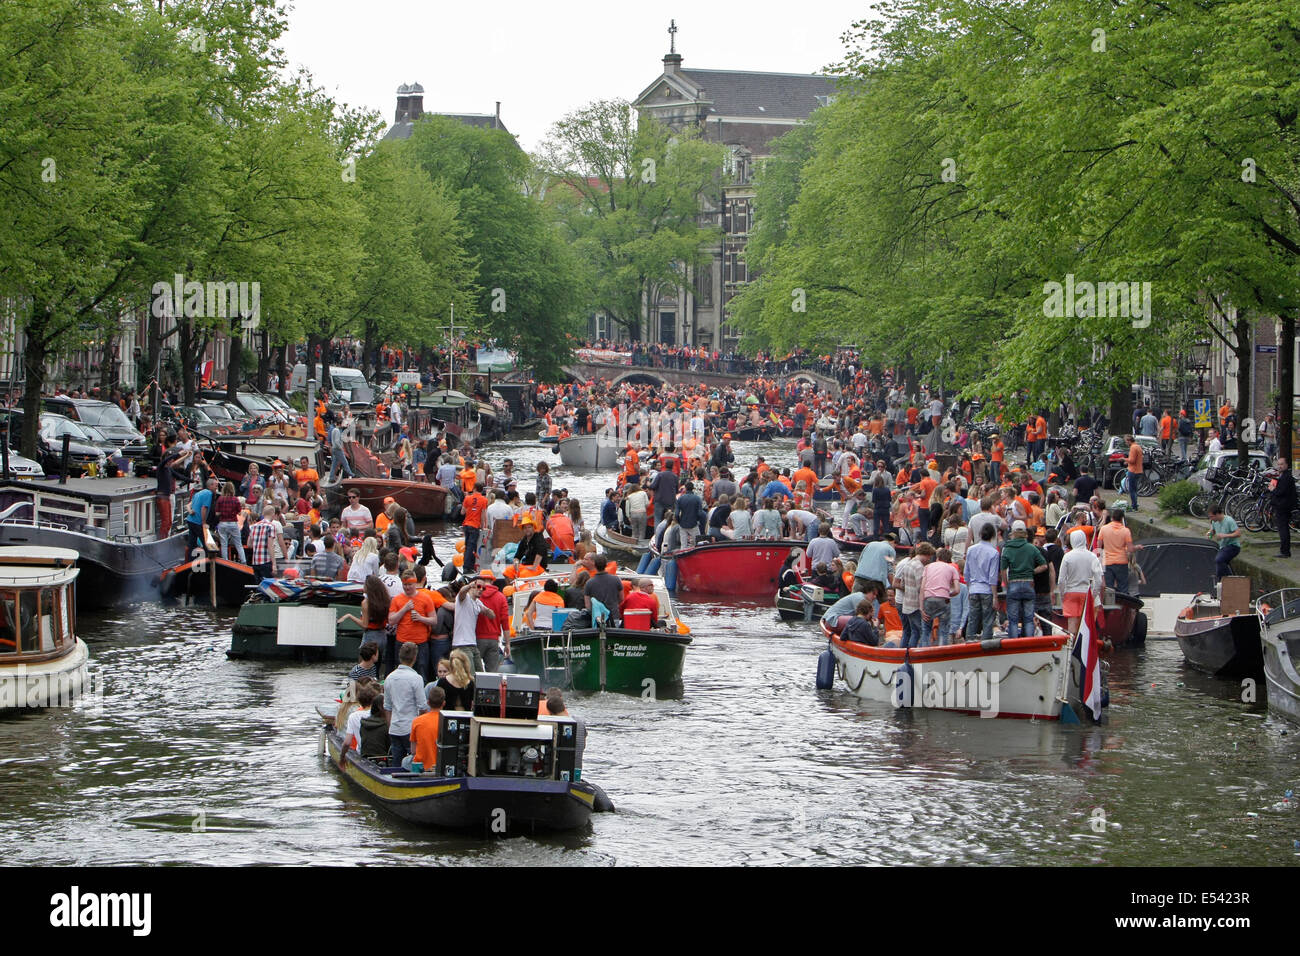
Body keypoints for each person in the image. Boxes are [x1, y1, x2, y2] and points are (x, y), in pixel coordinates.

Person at [1000, 520, 1047, 638]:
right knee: (1029, 618)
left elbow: (1003, 570)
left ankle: (1014, 646)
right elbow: (1044, 565)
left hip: (1013, 584)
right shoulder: (1031, 548)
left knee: (1013, 620)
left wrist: (1007, 584)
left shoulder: (1007, 548)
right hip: (1028, 584)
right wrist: (1032, 571)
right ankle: (1029, 644)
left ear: (1013, 533)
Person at [384, 641, 427, 767]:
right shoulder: (416, 679)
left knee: (396, 763)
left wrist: (390, 726)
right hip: (411, 728)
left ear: (399, 656)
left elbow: (387, 707)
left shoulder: (389, 678)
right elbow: (423, 707)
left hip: (395, 727)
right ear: (415, 658)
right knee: (413, 762)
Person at [389, 574, 437, 681]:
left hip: (420, 643)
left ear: (415, 583)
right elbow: (391, 621)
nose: (407, 587)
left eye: (409, 584)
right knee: (401, 674)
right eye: (404, 585)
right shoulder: (397, 599)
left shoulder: (426, 598)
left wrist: (421, 618)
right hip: (402, 642)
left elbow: (434, 620)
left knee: (421, 673)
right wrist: (404, 609)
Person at [1057, 529, 1103, 636]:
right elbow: (1099, 580)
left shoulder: (1067, 557)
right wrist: (1093, 594)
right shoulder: (1092, 556)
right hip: (1087, 593)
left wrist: (1063, 594)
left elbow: (1061, 580)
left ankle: (1072, 647)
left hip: (1071, 592)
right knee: (1086, 624)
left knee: (1072, 625)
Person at [921, 545, 961, 645]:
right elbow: (957, 590)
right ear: (949, 560)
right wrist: (948, 594)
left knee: (926, 630)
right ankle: (942, 652)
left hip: (928, 598)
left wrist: (921, 608)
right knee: (943, 630)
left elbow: (922, 587)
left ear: (938, 557)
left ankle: (924, 653)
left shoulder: (928, 567)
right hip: (943, 599)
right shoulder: (952, 569)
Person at [452, 578, 492, 672]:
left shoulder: (478, 602)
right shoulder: (464, 598)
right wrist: (469, 585)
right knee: (471, 675)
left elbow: (492, 616)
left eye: (483, 588)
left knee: (481, 675)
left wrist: (486, 611)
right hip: (461, 644)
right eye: (478, 586)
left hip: (473, 644)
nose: (481, 589)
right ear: (472, 587)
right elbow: (462, 592)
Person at [406, 685, 445, 771]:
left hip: (421, 767)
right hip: (441, 767)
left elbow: (413, 751)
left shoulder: (417, 721)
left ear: (428, 703)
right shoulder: (447, 722)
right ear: (444, 703)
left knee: (405, 761)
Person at [1096, 510, 1136, 594]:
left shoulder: (1103, 529)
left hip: (1107, 562)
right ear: (1122, 519)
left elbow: (1099, 546)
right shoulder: (1126, 531)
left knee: (1108, 588)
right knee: (1123, 587)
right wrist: (1136, 547)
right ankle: (1123, 605)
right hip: (1122, 561)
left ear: (1111, 518)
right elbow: (1130, 549)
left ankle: (1109, 605)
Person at [583, 555, 624, 626]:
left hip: (597, 618)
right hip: (613, 615)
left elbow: (588, 605)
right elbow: (621, 598)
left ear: (595, 565)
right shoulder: (616, 580)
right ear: (606, 565)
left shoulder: (589, 583)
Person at [155, 433, 182, 538]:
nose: (171, 461)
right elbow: (166, 460)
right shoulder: (161, 467)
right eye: (170, 460)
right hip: (163, 496)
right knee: (166, 521)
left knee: (169, 521)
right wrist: (178, 455)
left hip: (166, 496)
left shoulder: (169, 469)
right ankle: (162, 539)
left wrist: (190, 480)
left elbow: (180, 476)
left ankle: (165, 537)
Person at [1208, 504, 1242, 581]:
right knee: (1220, 565)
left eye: (1211, 516)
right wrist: (1210, 534)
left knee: (1219, 560)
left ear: (1217, 514)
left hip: (1233, 546)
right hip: (1223, 546)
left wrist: (1224, 535)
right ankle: (1224, 581)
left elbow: (1238, 533)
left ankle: (1230, 580)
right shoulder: (1214, 521)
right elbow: (1212, 531)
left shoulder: (1229, 520)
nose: (1211, 519)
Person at [214, 481, 246, 563]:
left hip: (223, 523)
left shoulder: (220, 499)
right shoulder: (235, 499)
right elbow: (239, 512)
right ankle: (243, 561)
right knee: (238, 544)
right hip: (233, 523)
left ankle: (225, 561)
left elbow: (217, 513)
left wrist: (223, 512)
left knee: (224, 544)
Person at [460, 482, 489, 574]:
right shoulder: (484, 500)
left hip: (466, 524)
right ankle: (467, 567)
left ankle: (468, 565)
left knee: (467, 545)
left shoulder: (467, 498)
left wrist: (470, 508)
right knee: (472, 547)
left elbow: (462, 512)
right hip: (475, 525)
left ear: (474, 488)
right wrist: (483, 526)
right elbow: (483, 514)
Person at [246, 505, 280, 582]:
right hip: (266, 561)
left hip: (255, 561)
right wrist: (274, 564)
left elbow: (249, 544)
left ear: (263, 514)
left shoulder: (253, 526)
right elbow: (270, 545)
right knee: (267, 586)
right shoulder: (271, 526)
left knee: (258, 586)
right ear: (273, 514)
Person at [1272, 457, 1296, 558]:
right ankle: (1284, 550)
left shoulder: (1286, 477)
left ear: (1286, 465)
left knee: (1283, 529)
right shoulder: (1284, 476)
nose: (1279, 466)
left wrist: (1273, 489)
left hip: (1283, 506)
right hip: (1283, 505)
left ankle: (1285, 551)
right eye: (1278, 464)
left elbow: (1281, 492)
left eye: (1282, 464)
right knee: (1283, 528)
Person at [1125, 435, 1144, 511]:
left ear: (1129, 441)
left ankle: (1134, 506)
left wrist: (1124, 459)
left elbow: (1132, 460)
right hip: (1139, 470)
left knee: (1132, 489)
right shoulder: (1138, 446)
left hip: (1133, 470)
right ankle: (1135, 504)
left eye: (1126, 441)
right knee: (1135, 489)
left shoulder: (1133, 448)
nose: (1126, 443)